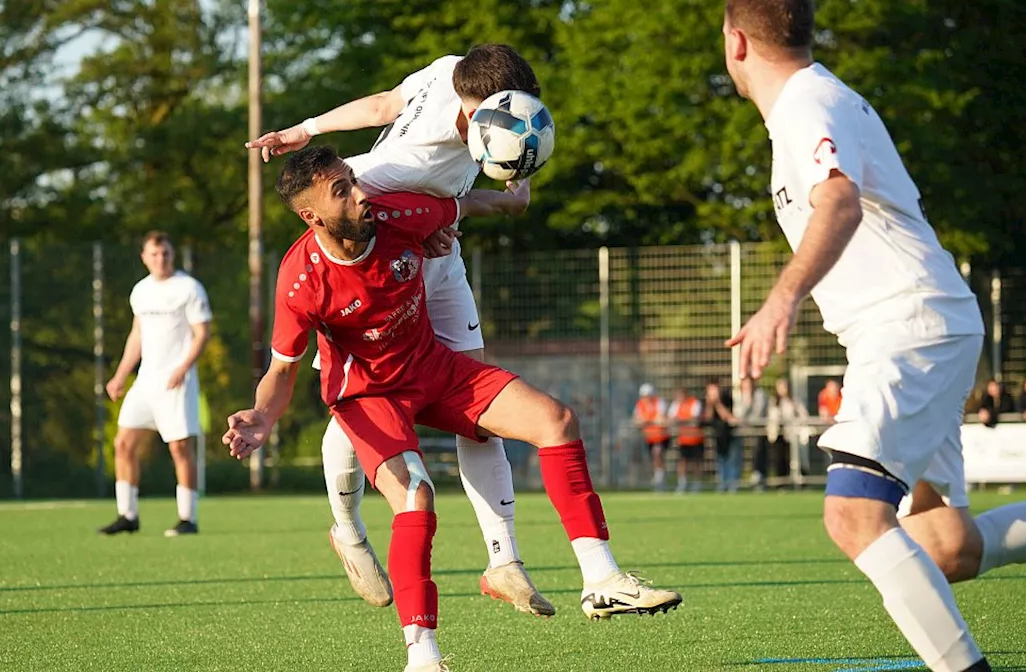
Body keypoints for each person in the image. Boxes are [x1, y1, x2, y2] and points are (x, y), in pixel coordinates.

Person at [223, 147, 682, 672]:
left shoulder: (401, 213)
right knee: (417, 497)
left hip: (434, 370)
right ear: (312, 216)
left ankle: (601, 579)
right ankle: (422, 656)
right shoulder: (300, 280)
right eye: (342, 191)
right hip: (367, 396)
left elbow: (462, 206)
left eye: (353, 179)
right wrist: (261, 415)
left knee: (557, 423)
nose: (361, 193)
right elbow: (282, 371)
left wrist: (514, 202)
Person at [723, 2, 1026, 669]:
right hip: (926, 321)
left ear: (735, 41)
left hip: (907, 326)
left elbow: (840, 200)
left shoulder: (805, 104)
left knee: (854, 516)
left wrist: (780, 300)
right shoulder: (822, 97)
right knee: (946, 544)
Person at [245, 44, 551, 616]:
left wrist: (306, 127)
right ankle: (347, 530)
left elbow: (385, 102)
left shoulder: (454, 69)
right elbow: (359, 199)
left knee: (478, 405)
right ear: (471, 106)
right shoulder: (383, 176)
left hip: (436, 251)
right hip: (372, 256)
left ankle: (504, 561)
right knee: (358, 400)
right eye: (497, 118)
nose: (507, 127)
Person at [100, 231, 212, 537]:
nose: (160, 259)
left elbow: (202, 333)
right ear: (144, 257)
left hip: (177, 382)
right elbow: (137, 334)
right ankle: (127, 515)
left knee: (179, 448)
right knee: (123, 444)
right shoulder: (140, 291)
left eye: (165, 253)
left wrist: (183, 368)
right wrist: (121, 374)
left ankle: (187, 518)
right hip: (146, 381)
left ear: (171, 255)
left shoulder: (188, 288)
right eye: (154, 254)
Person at [766, 377, 809, 486]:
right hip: (777, 434)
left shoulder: (794, 401)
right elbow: (770, 417)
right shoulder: (773, 401)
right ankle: (781, 484)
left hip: (791, 434)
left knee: (795, 459)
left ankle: (800, 482)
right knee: (779, 459)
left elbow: (803, 415)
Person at [702, 378, 741, 492]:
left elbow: (726, 416)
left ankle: (733, 485)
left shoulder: (727, 398)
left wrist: (718, 403)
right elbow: (707, 418)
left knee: (732, 461)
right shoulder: (708, 402)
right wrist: (710, 405)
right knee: (721, 461)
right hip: (718, 436)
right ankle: (722, 485)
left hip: (731, 434)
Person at [632, 383, 671, 490]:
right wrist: (649, 421)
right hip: (649, 437)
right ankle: (659, 478)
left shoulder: (659, 402)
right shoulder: (640, 405)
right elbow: (637, 420)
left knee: (657, 454)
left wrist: (647, 421)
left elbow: (661, 420)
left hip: (661, 436)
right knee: (655, 458)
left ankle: (659, 478)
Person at [668, 387, 704, 493]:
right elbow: (671, 418)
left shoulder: (694, 403)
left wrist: (680, 420)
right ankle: (682, 483)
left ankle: (697, 483)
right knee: (682, 461)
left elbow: (694, 419)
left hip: (695, 438)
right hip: (683, 438)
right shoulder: (676, 404)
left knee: (696, 462)